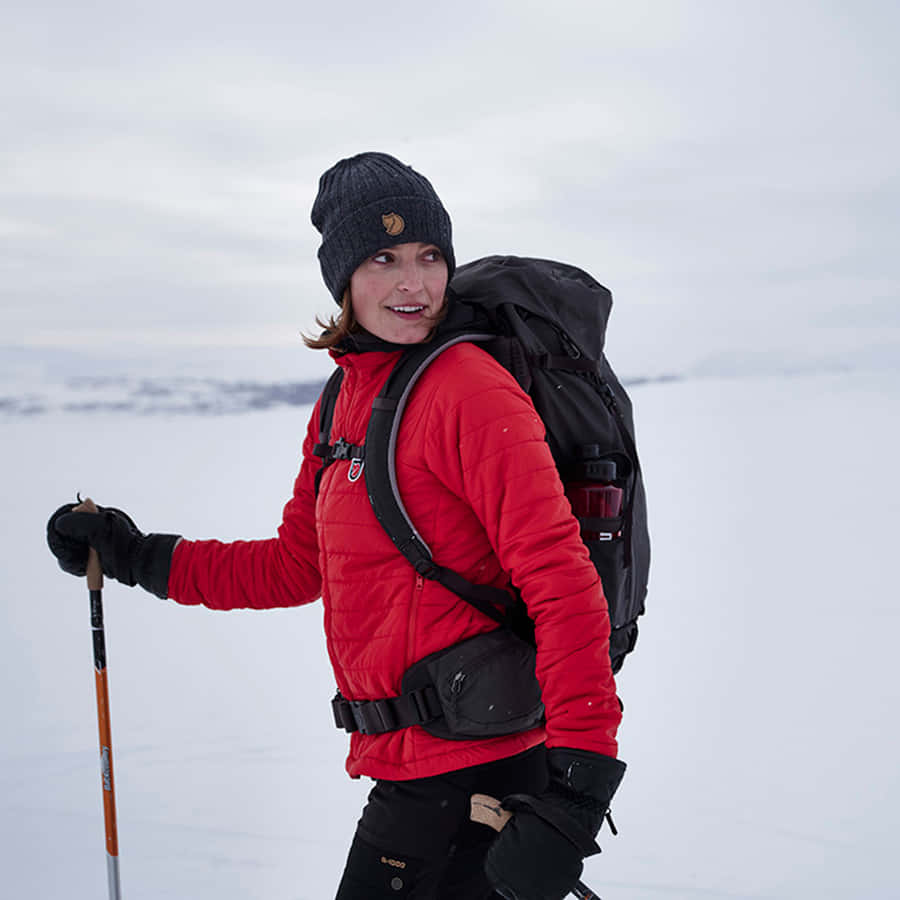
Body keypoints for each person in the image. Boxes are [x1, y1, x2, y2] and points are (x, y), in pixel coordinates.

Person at [47, 152, 627, 900]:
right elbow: (297, 566)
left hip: (480, 775)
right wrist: (135, 555)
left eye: (428, 257)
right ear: (342, 277)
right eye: (383, 258)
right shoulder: (344, 399)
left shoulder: (471, 392)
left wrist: (577, 797)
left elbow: (563, 584)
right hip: (419, 770)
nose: (413, 284)